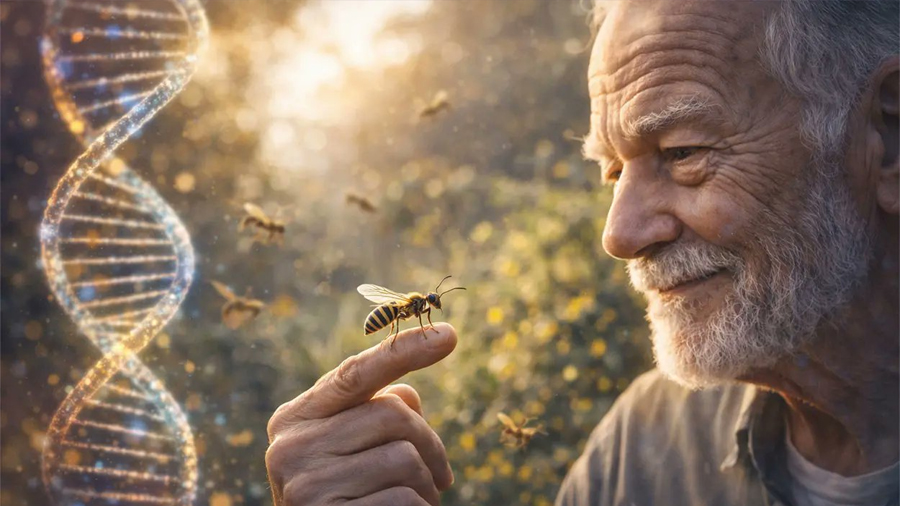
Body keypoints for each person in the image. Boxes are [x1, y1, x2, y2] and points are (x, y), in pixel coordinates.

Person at [265, 1, 899, 504]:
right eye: (611, 173)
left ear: (888, 141)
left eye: (682, 152)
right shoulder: (644, 446)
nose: (618, 236)